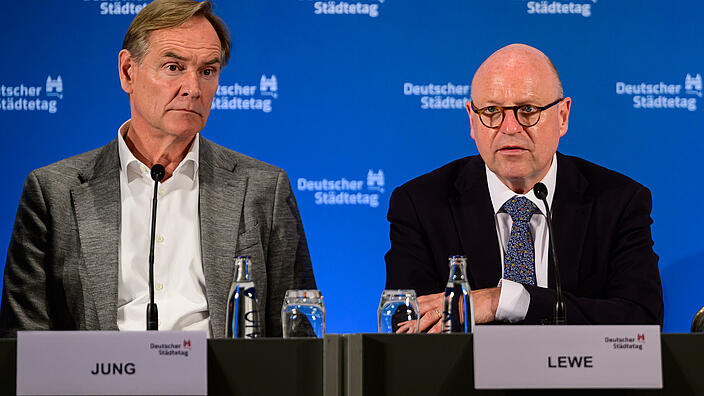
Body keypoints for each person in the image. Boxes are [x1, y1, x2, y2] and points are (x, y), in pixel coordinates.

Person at [0, 0, 315, 338]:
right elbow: (24, 344)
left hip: (224, 383)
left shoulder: (264, 189)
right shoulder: (53, 192)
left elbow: (297, 340)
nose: (193, 89)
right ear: (127, 72)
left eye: (207, 71)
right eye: (173, 67)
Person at [385, 44, 663, 332]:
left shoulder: (618, 202)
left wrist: (503, 301)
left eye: (528, 110)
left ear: (563, 116)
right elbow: (406, 326)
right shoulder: (421, 204)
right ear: (472, 119)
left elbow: (642, 322)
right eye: (491, 111)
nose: (510, 128)